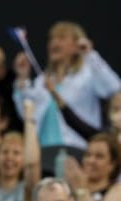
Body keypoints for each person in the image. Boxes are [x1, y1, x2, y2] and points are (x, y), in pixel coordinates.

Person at [13, 21, 121, 150]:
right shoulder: (42, 80)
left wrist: (89, 54)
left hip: (78, 147)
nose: (54, 43)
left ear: (76, 44)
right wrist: (22, 78)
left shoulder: (87, 75)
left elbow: (113, 88)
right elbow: (26, 114)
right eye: (52, 39)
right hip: (44, 150)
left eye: (61, 38)